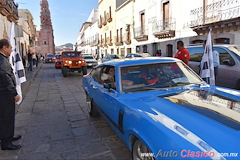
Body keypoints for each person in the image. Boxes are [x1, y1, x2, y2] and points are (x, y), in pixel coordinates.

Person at [0, 39, 22, 150]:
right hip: (5, 94)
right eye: (10, 47)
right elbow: (5, 77)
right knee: (7, 117)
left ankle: (7, 136)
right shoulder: (2, 60)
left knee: (5, 117)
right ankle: (6, 142)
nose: (11, 49)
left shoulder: (3, 59)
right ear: (4, 48)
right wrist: (14, 93)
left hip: (4, 93)